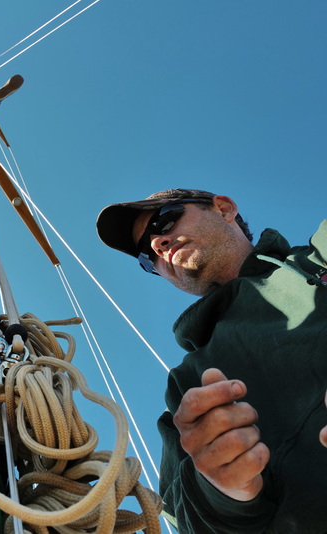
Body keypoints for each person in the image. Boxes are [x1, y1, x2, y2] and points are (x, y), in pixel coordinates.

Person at [96, 188, 327, 532]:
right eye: (146, 255)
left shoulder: (319, 255)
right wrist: (223, 488)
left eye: (165, 219)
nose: (157, 244)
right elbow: (185, 518)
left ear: (224, 208)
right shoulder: (189, 387)